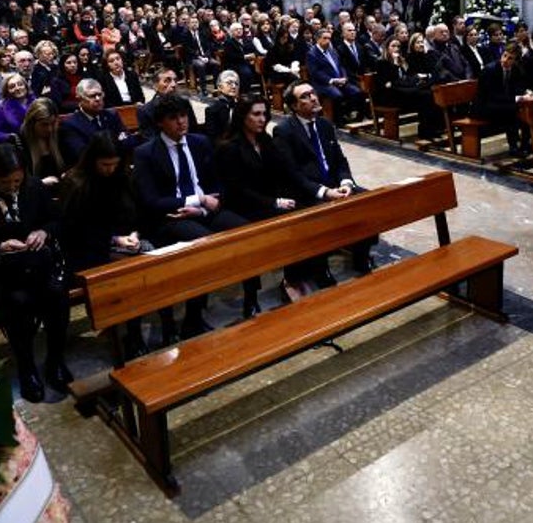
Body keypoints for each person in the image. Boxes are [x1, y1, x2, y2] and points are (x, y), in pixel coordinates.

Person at [0, 144, 70, 403]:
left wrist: (43, 232)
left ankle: (55, 360)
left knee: (57, 295)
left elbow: (56, 221)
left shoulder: (33, 188)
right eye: (5, 182)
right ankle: (27, 367)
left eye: (17, 180)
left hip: (36, 266)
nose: (12, 187)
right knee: (18, 303)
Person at [132, 94, 249, 339]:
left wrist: (204, 207)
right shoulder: (145, 153)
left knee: (245, 230)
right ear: (161, 123)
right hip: (169, 218)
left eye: (183, 116)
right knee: (202, 244)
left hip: (202, 211)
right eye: (173, 118)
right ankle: (193, 318)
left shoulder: (200, 142)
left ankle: (250, 299)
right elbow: (151, 201)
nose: (181, 122)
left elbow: (217, 184)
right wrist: (198, 200)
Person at [59, 133, 159, 358]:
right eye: (105, 165)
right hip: (86, 250)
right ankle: (131, 333)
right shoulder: (77, 183)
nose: (110, 170)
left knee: (152, 257)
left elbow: (136, 212)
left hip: (121, 243)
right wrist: (114, 240)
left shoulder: (122, 176)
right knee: (130, 270)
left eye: (114, 164)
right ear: (93, 160)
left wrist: (133, 233)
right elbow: (75, 230)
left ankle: (153, 324)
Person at [273, 82, 375, 291]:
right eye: (305, 96)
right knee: (317, 213)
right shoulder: (283, 131)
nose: (313, 98)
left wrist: (346, 182)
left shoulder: (325, 125)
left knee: (368, 201)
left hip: (335, 185)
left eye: (313, 93)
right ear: (294, 106)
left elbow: (340, 160)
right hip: (307, 191)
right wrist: (325, 192)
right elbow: (293, 174)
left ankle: (361, 254)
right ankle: (320, 269)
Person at [214, 95, 296, 317]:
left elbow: (283, 173)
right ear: (242, 116)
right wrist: (274, 202)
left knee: (300, 214)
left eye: (264, 114)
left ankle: (294, 279)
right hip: (240, 205)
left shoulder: (266, 141)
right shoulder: (229, 147)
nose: (262, 119)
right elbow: (237, 190)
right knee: (250, 233)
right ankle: (250, 295)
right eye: (256, 114)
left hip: (266, 202)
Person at [59, 78, 138, 164]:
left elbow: (129, 141)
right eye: (92, 96)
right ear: (79, 99)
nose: (98, 99)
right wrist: (117, 143)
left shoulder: (111, 116)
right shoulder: (71, 124)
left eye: (100, 94)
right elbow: (82, 155)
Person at [374, 37, 440, 140]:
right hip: (389, 97)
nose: (396, 49)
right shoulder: (382, 62)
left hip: (401, 92)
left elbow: (405, 78)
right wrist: (395, 66)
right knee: (424, 97)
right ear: (387, 48)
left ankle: (430, 130)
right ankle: (425, 132)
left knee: (429, 94)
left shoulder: (402, 61)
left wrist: (405, 80)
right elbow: (388, 82)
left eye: (398, 46)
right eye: (393, 46)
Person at [475, 44, 530, 156]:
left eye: (510, 58)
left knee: (525, 109)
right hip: (484, 106)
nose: (505, 60)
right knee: (512, 110)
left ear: (515, 61)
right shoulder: (490, 70)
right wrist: (515, 98)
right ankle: (514, 147)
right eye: (504, 55)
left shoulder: (516, 69)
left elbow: (519, 87)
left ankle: (525, 144)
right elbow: (492, 95)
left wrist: (526, 92)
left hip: (501, 104)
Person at [306, 26, 365, 125]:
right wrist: (332, 80)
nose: (328, 41)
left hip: (339, 81)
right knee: (337, 95)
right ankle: (338, 121)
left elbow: (341, 66)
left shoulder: (332, 50)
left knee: (357, 92)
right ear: (318, 39)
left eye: (329, 38)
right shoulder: (312, 54)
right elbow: (315, 73)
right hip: (323, 84)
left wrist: (344, 77)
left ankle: (352, 116)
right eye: (325, 38)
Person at [16, 98, 67, 191]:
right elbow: (17, 180)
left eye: (53, 123)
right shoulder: (19, 142)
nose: (50, 129)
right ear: (31, 123)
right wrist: (40, 183)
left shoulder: (60, 135)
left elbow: (70, 164)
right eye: (44, 124)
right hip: (34, 194)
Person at [0, 73, 34, 145]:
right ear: (7, 91)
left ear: (25, 86)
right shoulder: (0, 108)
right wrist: (7, 137)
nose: (17, 88)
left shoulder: (36, 102)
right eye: (12, 87)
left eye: (20, 84)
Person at [202, 70, 242, 140]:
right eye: (229, 83)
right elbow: (212, 137)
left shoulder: (242, 106)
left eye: (236, 83)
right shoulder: (212, 110)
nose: (234, 86)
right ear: (220, 87)